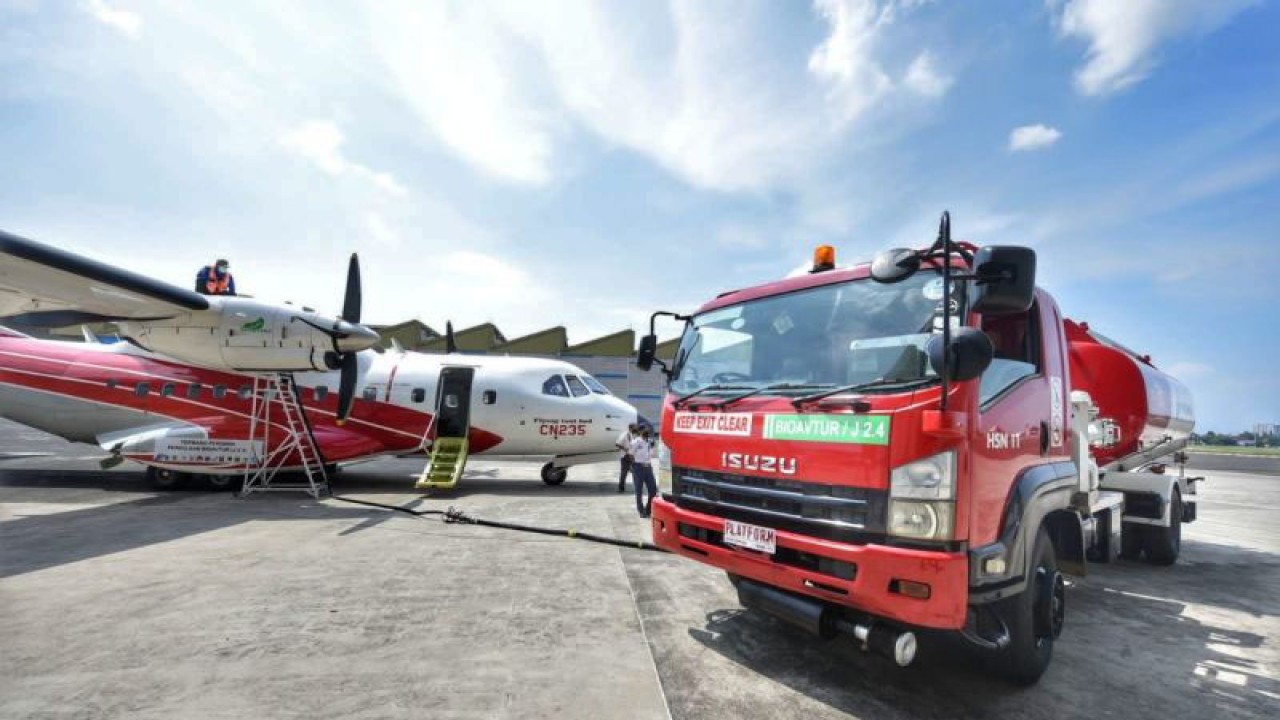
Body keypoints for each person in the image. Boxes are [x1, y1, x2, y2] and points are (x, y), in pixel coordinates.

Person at [629, 426, 658, 518]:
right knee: (639, 490)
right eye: (644, 430)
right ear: (640, 431)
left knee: (653, 490)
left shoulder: (650, 442)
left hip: (648, 468)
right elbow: (630, 454)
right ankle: (641, 511)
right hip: (638, 467)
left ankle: (648, 510)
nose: (646, 432)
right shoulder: (636, 442)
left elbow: (653, 455)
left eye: (648, 431)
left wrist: (652, 446)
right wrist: (633, 466)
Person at [615, 423, 639, 493]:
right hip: (625, 456)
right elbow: (617, 444)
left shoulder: (633, 435)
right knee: (624, 473)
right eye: (634, 427)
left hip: (631, 456)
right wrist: (625, 449)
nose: (635, 429)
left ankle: (637, 487)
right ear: (630, 428)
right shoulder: (624, 435)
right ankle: (621, 488)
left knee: (635, 472)